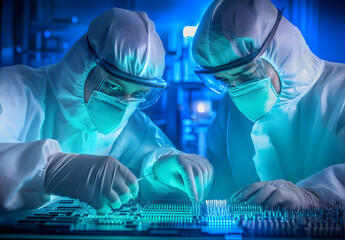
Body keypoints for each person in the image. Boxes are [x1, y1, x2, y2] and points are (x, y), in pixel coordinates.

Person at [0, 7, 213, 214]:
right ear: (83, 65)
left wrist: (163, 171)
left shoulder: (134, 127)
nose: (124, 104)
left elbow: (154, 179)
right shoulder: (12, 91)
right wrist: (50, 172)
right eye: (113, 86)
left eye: (137, 94)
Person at [192, 0, 345, 209]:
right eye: (225, 81)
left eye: (246, 75)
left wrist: (314, 197)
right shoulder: (229, 109)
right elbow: (218, 184)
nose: (236, 90)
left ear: (281, 54)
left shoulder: (340, 91)